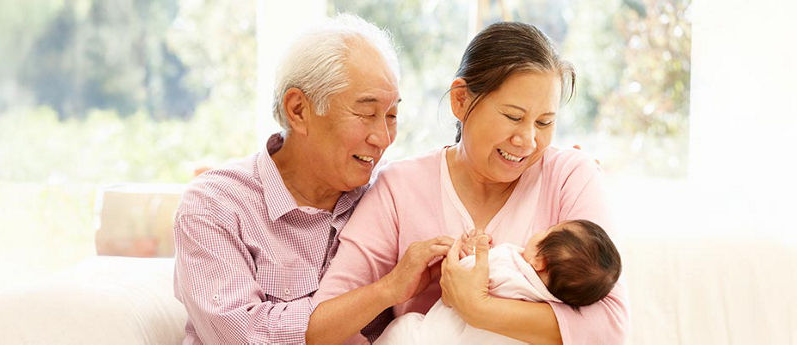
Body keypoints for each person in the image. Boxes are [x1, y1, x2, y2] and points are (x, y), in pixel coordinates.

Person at [310, 22, 630, 345]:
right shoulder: (399, 188)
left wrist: (477, 308)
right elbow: (320, 328)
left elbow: (612, 326)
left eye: (545, 122)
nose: (528, 140)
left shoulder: (569, 177)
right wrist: (391, 288)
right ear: (460, 100)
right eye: (513, 117)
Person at [171, 14, 455, 344]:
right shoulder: (214, 206)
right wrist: (386, 290)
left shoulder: (389, 193)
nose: (382, 137)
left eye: (392, 116)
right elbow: (246, 336)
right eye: (366, 113)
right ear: (299, 110)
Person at [375, 220, 623, 345]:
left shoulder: (508, 266)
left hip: (435, 340)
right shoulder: (551, 306)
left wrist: (467, 254)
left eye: (547, 231)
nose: (539, 231)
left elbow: (457, 285)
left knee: (406, 327)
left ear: (539, 261)